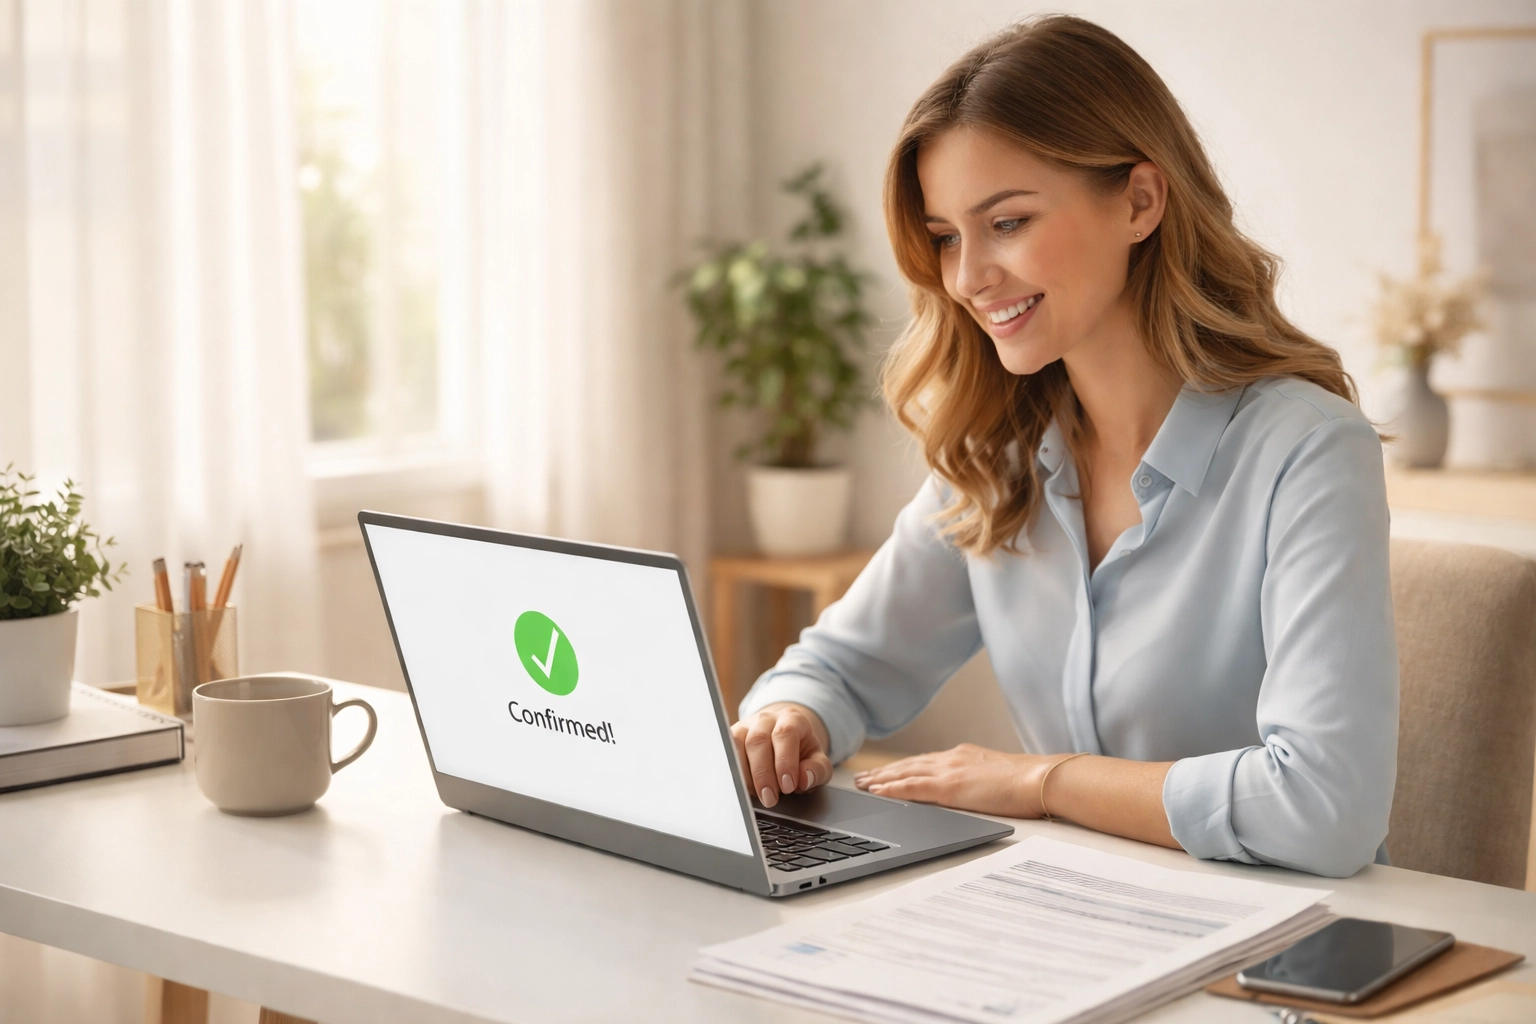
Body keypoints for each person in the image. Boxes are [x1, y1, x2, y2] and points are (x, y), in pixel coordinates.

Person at [731, 14, 1397, 878]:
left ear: (1140, 201)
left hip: (1280, 951)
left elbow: (1325, 810)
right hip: (1065, 922)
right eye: (945, 237)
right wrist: (791, 717)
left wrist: (1041, 782)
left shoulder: (1307, 452)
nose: (968, 278)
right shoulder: (997, 454)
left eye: (1005, 222)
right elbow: (842, 667)